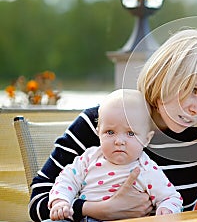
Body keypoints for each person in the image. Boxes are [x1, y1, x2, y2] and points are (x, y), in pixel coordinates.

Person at [29, 29, 197, 222]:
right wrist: (100, 210)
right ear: (166, 76)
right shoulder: (107, 122)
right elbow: (38, 201)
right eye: (193, 90)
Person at [47, 89, 182, 221]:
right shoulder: (89, 158)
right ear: (98, 133)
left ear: (146, 139)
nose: (119, 141)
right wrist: (61, 201)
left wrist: (166, 210)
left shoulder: (147, 169)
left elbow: (170, 197)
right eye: (110, 132)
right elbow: (66, 179)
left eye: (130, 133)